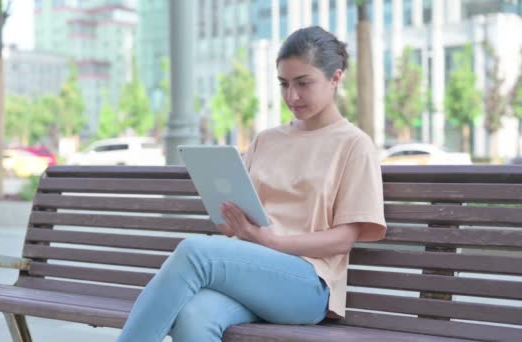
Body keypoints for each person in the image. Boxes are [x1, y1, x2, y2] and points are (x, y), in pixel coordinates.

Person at [118, 26, 386, 342]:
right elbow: (238, 225)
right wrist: (235, 223)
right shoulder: (266, 140)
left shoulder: (354, 145)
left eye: (303, 83)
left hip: (307, 284)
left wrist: (272, 242)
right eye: (284, 84)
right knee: (194, 316)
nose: (292, 96)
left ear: (335, 78)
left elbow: (344, 239)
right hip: (250, 273)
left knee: (194, 252)